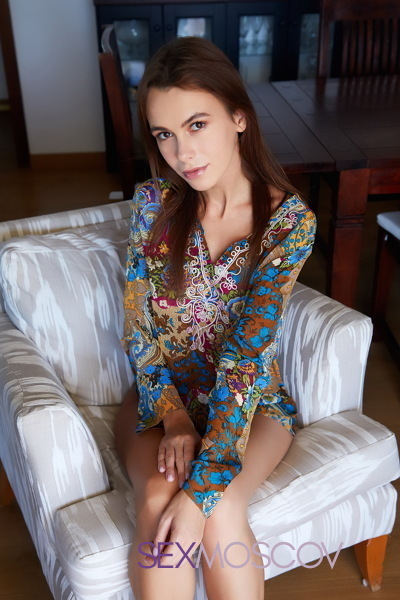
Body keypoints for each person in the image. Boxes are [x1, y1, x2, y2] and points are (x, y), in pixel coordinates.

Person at [114, 36, 316, 600]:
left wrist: (203, 490)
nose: (183, 153)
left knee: (219, 505)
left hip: (251, 406)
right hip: (161, 400)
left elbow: (247, 355)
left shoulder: (289, 224)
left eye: (197, 125)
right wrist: (176, 419)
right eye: (164, 134)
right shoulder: (154, 204)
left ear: (239, 117)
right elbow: (138, 327)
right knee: (159, 499)